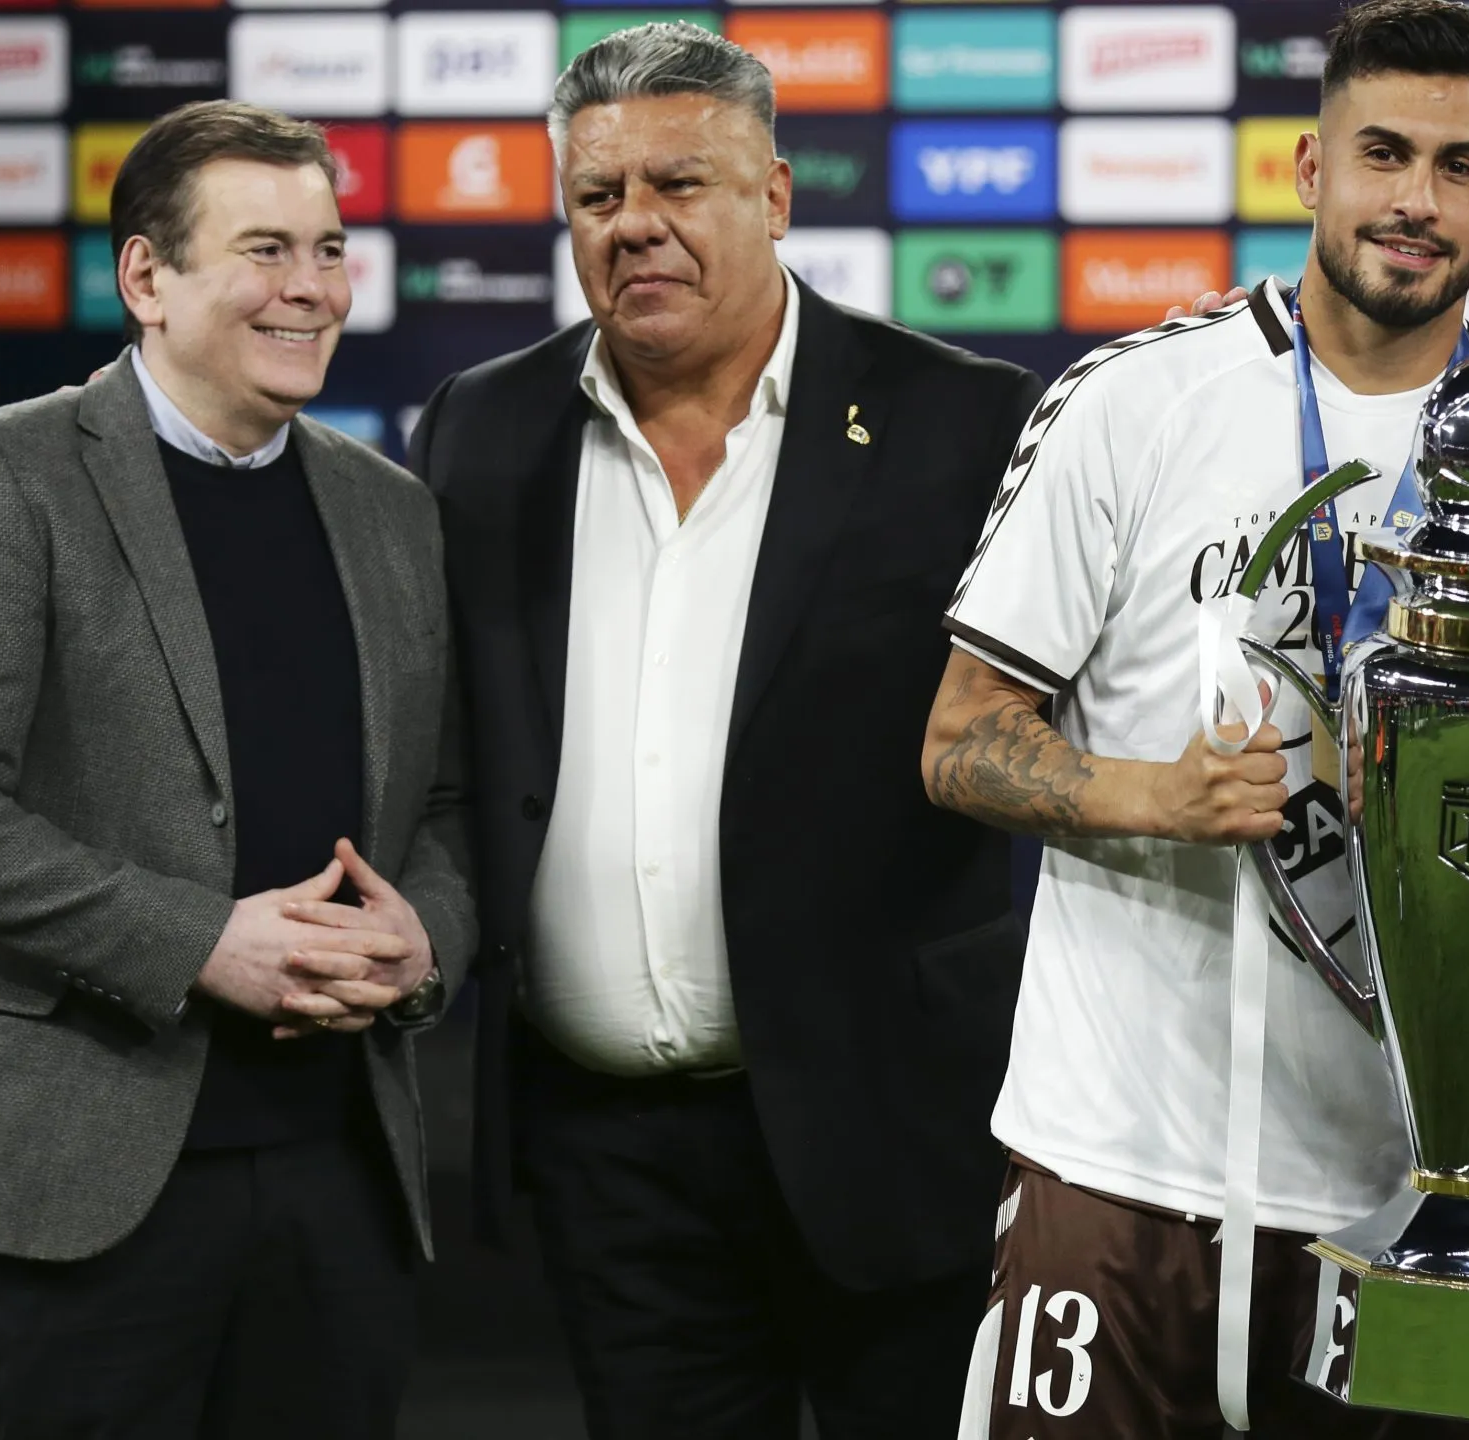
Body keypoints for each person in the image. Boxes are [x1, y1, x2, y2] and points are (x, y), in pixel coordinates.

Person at [921, 3, 1469, 1435]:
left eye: (1460, 167)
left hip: (1405, 1188)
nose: (1414, 199)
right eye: (1381, 154)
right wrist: (1157, 795)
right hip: (1118, 1167)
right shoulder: (1135, 401)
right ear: (1307, 169)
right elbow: (960, 738)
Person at [411, 24, 1042, 1439]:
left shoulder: (962, 424)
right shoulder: (479, 429)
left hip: (890, 1131)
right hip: (605, 1158)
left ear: (773, 196)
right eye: (598, 197)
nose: (636, 226)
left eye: (679, 185)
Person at [0, 100, 472, 1439]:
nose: (309, 289)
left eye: (328, 248)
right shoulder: (1, 480)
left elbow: (447, 809)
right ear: (148, 277)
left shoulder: (391, 509)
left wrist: (425, 943)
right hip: (82, 1199)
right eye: (264, 250)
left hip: (345, 1188)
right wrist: (202, 941)